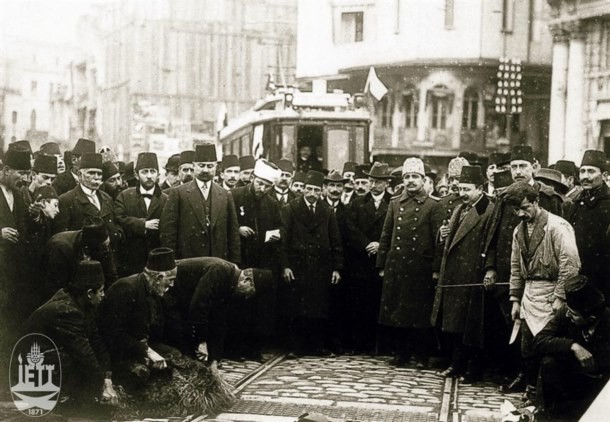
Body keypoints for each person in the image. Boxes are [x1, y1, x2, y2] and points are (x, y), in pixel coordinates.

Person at [505, 181, 581, 403]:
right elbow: (516, 267)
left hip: (552, 292)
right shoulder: (518, 231)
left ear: (536, 202)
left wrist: (560, 296)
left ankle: (545, 394)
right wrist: (515, 299)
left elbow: (570, 264)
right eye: (516, 210)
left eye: (525, 208)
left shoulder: (558, 227)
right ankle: (530, 391)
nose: (521, 214)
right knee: (527, 347)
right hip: (530, 294)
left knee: (548, 348)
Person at [23, 260, 119, 411]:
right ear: (89, 293)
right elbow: (84, 353)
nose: (103, 295)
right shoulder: (68, 311)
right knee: (73, 365)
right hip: (31, 364)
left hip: (50, 356)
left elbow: (97, 342)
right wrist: (102, 387)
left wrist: (107, 376)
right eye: (101, 291)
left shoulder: (82, 304)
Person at [376, 157, 443, 367]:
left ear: (423, 179)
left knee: (420, 314)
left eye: (415, 177)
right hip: (397, 265)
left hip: (420, 268)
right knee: (398, 312)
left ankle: (421, 355)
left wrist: (435, 269)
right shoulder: (395, 203)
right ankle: (401, 354)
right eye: (407, 177)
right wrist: (382, 264)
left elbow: (437, 241)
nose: (411, 181)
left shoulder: (433, 205)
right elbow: (386, 235)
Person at [432, 166, 492, 381]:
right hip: (454, 273)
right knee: (455, 325)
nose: (463, 193)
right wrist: (442, 235)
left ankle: (472, 369)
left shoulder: (488, 210)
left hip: (472, 274)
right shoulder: (459, 208)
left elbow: (490, 244)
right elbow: (450, 240)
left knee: (471, 326)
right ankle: (456, 364)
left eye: (467, 189)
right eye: (460, 188)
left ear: (480, 188)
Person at [280, 170, 343, 356]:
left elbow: (335, 240)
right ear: (303, 189)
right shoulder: (291, 208)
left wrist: (337, 268)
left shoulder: (327, 211)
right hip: (298, 266)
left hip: (321, 267)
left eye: (316, 190)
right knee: (297, 308)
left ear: (322, 190)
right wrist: (285, 265)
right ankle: (295, 347)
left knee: (319, 308)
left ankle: (317, 346)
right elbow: (283, 240)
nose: (312, 193)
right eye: (309, 189)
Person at [164, 257, 273, 364]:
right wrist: (201, 341)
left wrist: (215, 359)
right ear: (247, 280)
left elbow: (219, 321)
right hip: (166, 287)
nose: (246, 297)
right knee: (182, 345)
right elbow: (198, 306)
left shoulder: (230, 281)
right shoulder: (220, 270)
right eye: (249, 293)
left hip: (181, 297)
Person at [98, 247, 178, 389]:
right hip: (117, 352)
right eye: (170, 280)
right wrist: (147, 352)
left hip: (137, 347)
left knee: (175, 356)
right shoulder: (126, 288)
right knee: (141, 374)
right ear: (159, 278)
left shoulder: (153, 290)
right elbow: (113, 335)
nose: (172, 285)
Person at [533, 275, 610, 420]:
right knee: (548, 362)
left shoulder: (607, 322)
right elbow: (539, 341)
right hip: (573, 384)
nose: (568, 315)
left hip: (600, 389)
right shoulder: (566, 312)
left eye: (574, 314)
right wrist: (572, 346)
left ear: (591, 319)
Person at [228, 159, 282, 359]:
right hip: (240, 258)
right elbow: (225, 222)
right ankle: (236, 349)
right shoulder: (235, 196)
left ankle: (254, 349)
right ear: (252, 179)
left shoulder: (272, 204)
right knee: (238, 304)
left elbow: (280, 226)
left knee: (259, 307)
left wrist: (276, 234)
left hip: (262, 260)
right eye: (260, 183)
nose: (262, 188)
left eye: (267, 186)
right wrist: (238, 229)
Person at [160, 144, 240, 263]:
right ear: (194, 166)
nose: (205, 170)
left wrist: (234, 264)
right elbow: (168, 232)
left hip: (218, 262)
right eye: (201, 165)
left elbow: (233, 234)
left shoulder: (225, 195)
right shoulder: (178, 193)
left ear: (216, 167)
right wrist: (172, 262)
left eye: (210, 166)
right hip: (187, 262)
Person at [344, 162, 393, 353]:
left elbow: (394, 229)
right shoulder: (357, 203)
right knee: (360, 302)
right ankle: (360, 344)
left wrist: (380, 245)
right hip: (361, 259)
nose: (373, 185)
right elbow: (350, 228)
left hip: (382, 259)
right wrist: (367, 244)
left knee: (380, 302)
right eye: (371, 181)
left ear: (386, 184)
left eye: (378, 182)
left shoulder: (394, 203)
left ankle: (380, 345)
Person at [563, 150, 610, 302]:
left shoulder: (608, 203)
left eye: (591, 171)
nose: (585, 177)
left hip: (603, 277)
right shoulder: (576, 203)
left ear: (604, 175)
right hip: (578, 276)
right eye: (582, 171)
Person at [52, 153, 122, 249]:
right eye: (91, 173)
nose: (96, 177)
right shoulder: (66, 200)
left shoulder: (106, 198)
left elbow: (115, 225)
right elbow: (61, 238)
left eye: (99, 174)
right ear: (80, 175)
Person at [115, 152, 168, 277]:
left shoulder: (166, 199)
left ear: (158, 175)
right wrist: (142, 224)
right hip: (130, 259)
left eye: (152, 171)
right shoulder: (125, 196)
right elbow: (118, 218)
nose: (149, 176)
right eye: (144, 172)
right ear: (136, 175)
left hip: (156, 259)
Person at [0, 148, 30, 357]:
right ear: (7, 170)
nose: (25, 179)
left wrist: (35, 217)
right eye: (21, 173)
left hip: (12, 271)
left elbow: (24, 228)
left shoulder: (18, 195)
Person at [45, 216, 119, 298]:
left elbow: (111, 277)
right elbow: (58, 289)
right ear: (88, 248)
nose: (107, 250)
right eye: (104, 247)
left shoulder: (102, 244)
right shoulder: (60, 249)